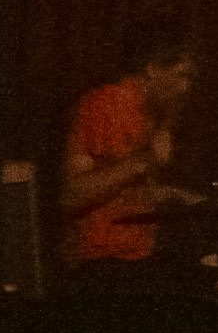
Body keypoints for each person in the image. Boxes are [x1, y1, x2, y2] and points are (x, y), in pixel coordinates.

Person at [59, 16, 204, 290]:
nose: (186, 88)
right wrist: (145, 160)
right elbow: (70, 194)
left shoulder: (154, 114)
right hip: (102, 264)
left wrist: (174, 197)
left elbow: (128, 193)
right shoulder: (103, 106)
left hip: (139, 260)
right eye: (182, 75)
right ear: (152, 68)